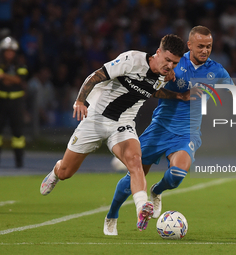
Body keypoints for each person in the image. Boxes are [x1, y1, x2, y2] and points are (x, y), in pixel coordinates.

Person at [104, 26, 236, 235]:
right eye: (200, 46)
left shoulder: (216, 70)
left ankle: (156, 190)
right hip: (159, 127)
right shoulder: (175, 62)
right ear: (189, 45)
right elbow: (151, 89)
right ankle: (112, 215)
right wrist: (173, 89)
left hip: (186, 132)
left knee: (177, 174)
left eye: (209, 46)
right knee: (132, 177)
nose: (205, 50)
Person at [39, 34, 191, 232]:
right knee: (67, 172)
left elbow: (151, 90)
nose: (170, 66)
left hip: (123, 124)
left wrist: (177, 95)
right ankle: (56, 171)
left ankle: (141, 208)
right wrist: (80, 100)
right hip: (95, 119)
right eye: (168, 60)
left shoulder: (165, 75)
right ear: (158, 52)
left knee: (136, 161)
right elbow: (96, 76)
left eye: (175, 63)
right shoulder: (132, 60)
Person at [0, 36, 28, 168]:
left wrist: (5, 76)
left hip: (16, 103)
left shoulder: (21, 64)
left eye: (12, 51)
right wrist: (13, 78)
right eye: (7, 51)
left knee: (17, 133)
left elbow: (19, 80)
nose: (9, 53)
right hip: (2, 101)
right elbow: (14, 79)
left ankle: (19, 161)